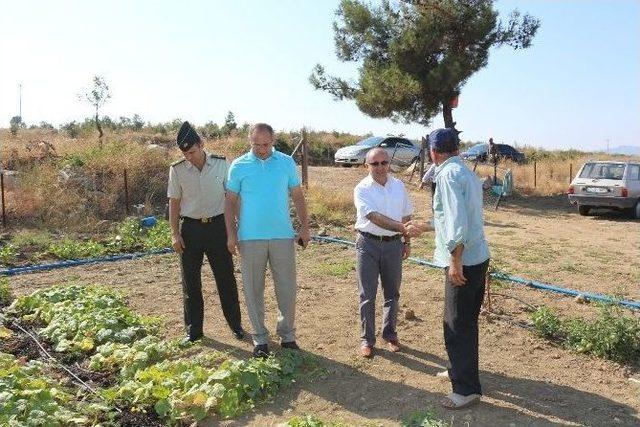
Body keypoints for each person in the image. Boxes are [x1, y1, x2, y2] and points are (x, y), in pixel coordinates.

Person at [406, 128, 490, 410]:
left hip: (463, 260)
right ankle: (459, 371)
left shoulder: (446, 175)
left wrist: (455, 260)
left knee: (457, 325)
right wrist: (426, 226)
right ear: (456, 148)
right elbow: (457, 216)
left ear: (432, 152)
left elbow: (456, 222)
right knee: (463, 320)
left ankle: (465, 390)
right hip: (477, 256)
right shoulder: (466, 172)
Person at [224, 123, 310, 358]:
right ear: (249, 141)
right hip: (250, 238)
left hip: (282, 235)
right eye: (257, 144)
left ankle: (288, 336)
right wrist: (231, 234)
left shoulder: (285, 162)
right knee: (253, 290)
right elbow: (230, 201)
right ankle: (260, 338)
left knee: (287, 289)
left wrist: (304, 227)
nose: (262, 149)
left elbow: (298, 196)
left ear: (273, 141)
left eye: (266, 144)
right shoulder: (239, 166)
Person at [167, 121, 244, 343]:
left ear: (201, 144)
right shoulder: (177, 169)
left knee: (225, 278)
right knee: (190, 281)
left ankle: (235, 325)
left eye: (192, 151)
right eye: (185, 153)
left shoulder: (221, 164)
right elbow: (174, 202)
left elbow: (231, 198)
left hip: (218, 227)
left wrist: (236, 229)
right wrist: (175, 234)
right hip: (190, 229)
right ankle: (193, 330)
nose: (189, 157)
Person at [354, 148, 413, 358]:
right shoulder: (362, 189)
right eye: (374, 163)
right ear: (367, 166)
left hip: (393, 246)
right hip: (368, 244)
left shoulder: (398, 186)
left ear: (389, 163)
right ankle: (367, 340)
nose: (380, 167)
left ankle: (389, 335)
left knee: (392, 293)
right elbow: (373, 216)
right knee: (367, 295)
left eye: (383, 162)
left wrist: (406, 240)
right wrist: (402, 229)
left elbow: (407, 214)